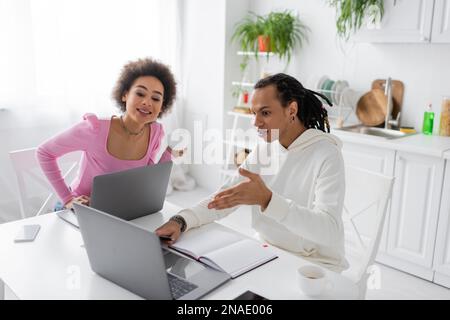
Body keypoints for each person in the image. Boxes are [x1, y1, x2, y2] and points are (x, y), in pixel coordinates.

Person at [156, 73, 349, 272]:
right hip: (270, 252)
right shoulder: (266, 149)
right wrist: (181, 221)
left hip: (315, 265)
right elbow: (224, 198)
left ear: (291, 110)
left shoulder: (326, 154)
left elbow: (329, 231)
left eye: (265, 113)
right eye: (253, 113)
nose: (256, 123)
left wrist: (268, 200)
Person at [37, 57, 177, 209]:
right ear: (125, 95)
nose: (147, 102)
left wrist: (169, 151)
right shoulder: (94, 129)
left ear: (162, 106)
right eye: (140, 94)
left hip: (117, 209)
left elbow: (147, 176)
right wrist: (67, 199)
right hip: (80, 208)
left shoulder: (155, 132)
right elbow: (44, 152)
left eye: (156, 98)